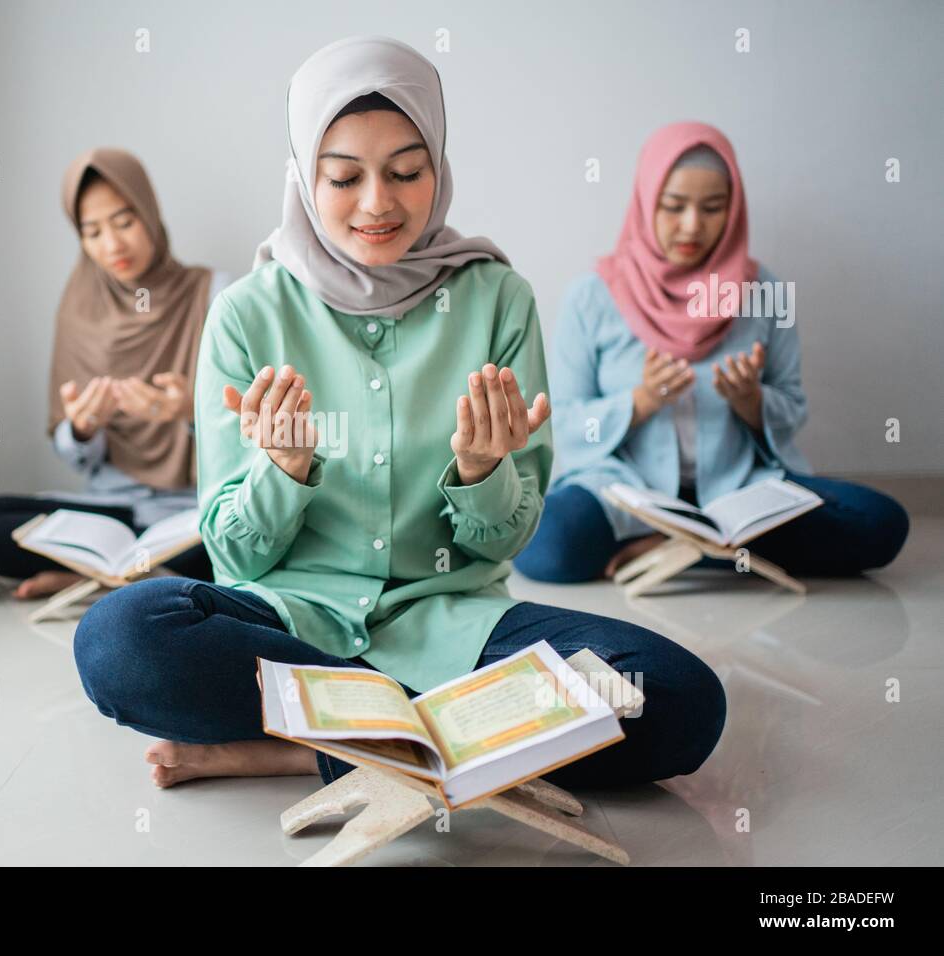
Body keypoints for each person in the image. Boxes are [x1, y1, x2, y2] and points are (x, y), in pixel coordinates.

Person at [73, 38, 726, 793]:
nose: (379, 202)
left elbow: (509, 538)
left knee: (677, 699)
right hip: (293, 622)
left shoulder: (496, 300)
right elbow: (237, 556)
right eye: (344, 177)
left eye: (407, 171)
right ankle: (459, 732)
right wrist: (283, 471)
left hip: (454, 625)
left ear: (438, 169)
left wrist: (482, 473)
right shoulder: (247, 315)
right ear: (303, 176)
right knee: (121, 641)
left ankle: (313, 746)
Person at [514, 122, 909, 583]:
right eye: (673, 206)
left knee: (882, 522)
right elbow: (562, 419)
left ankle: (685, 549)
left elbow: (793, 404)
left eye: (713, 208)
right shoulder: (593, 296)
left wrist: (752, 402)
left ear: (734, 210)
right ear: (645, 203)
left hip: (739, 491)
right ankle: (705, 547)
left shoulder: (762, 291)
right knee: (544, 544)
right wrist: (638, 404)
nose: (692, 226)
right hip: (625, 493)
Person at [0, 148, 225, 596]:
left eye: (124, 222)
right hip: (112, 511)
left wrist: (189, 411)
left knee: (261, 543)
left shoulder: (217, 294)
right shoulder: (79, 310)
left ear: (150, 215)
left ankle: (100, 576)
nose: (112, 245)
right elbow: (76, 454)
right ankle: (123, 571)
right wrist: (81, 428)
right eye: (92, 232)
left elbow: (254, 435)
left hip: (195, 513)